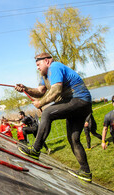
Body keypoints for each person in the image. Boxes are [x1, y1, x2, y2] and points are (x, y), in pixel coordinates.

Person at [15, 52, 92, 182]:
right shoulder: (45, 76)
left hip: (78, 99)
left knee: (47, 112)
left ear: (47, 61)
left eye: (39, 64)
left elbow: (56, 91)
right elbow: (39, 92)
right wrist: (25, 89)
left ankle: (36, 150)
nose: (38, 68)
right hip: (81, 104)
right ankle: (85, 171)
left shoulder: (54, 67)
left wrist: (41, 103)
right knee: (73, 139)